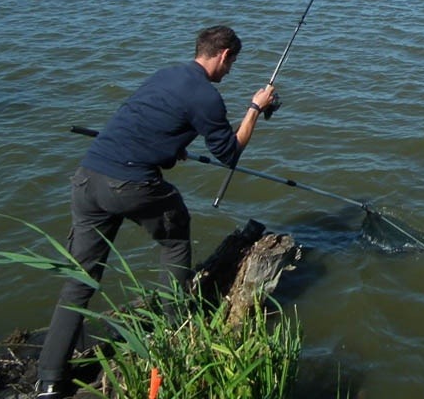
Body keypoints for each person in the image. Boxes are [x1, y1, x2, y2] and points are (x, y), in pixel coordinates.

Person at [35, 25, 278, 399]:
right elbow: (229, 153)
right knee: (176, 235)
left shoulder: (166, 74)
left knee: (79, 282)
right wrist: (254, 110)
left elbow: (144, 120)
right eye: (232, 64)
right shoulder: (207, 97)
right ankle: (175, 330)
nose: (229, 72)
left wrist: (170, 148)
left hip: (87, 178)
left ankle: (48, 380)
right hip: (128, 184)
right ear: (224, 55)